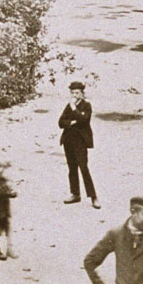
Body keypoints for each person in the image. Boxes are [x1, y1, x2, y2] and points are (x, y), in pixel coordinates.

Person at [59, 80, 98, 208]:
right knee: (72, 168)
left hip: (80, 142)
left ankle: (93, 197)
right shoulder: (68, 105)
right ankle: (75, 194)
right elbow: (61, 122)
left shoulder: (87, 105)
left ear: (82, 94)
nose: (74, 95)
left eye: (77, 93)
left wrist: (75, 110)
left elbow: (84, 119)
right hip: (68, 140)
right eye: (72, 93)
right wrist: (71, 122)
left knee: (84, 168)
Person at [0, 168, 17, 261]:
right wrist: (9, 193)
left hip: (4, 212)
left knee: (6, 230)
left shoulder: (4, 182)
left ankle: (7, 249)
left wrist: (11, 192)